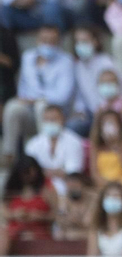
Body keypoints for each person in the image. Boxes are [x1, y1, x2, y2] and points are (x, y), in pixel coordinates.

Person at [3, 25, 74, 163]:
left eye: (51, 41)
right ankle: (8, 155)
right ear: (37, 40)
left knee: (42, 105)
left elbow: (63, 96)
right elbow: (23, 87)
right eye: (44, 40)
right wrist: (25, 99)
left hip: (56, 114)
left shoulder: (66, 61)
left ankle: (45, 153)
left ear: (59, 42)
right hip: (30, 113)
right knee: (13, 106)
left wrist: (36, 99)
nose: (47, 44)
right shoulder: (28, 57)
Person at [24, 102, 83, 196]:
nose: (50, 123)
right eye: (47, 120)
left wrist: (43, 171)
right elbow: (29, 172)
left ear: (62, 120)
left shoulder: (74, 141)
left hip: (66, 189)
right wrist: (57, 172)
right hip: (40, 190)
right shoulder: (33, 144)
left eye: (54, 119)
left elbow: (72, 174)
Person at [4, 155, 56, 243]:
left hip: (40, 235)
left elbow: (56, 214)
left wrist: (41, 216)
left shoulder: (47, 189)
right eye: (25, 173)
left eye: (32, 172)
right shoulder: (12, 190)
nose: (29, 176)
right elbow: (3, 212)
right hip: (15, 235)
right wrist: (15, 214)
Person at [89, 108, 122, 194]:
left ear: (119, 125)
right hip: (103, 186)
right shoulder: (95, 145)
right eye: (106, 124)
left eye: (112, 123)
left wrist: (116, 145)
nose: (109, 127)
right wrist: (108, 186)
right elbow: (94, 173)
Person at [85, 180, 122, 256]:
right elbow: (92, 256)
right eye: (108, 195)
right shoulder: (96, 224)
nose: (112, 199)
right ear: (102, 200)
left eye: (116, 196)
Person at [53, 171, 93, 240]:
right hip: (69, 233)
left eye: (75, 185)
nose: (72, 189)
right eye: (70, 186)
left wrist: (75, 221)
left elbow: (88, 223)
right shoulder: (64, 199)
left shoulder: (93, 198)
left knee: (73, 235)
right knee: (59, 234)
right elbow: (60, 221)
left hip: (88, 233)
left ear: (83, 185)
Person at [0, 0, 65, 31]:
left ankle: (53, 37)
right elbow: (6, 1)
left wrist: (31, 0)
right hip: (18, 14)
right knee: (5, 11)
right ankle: (8, 41)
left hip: (38, 13)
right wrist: (20, 2)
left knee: (52, 8)